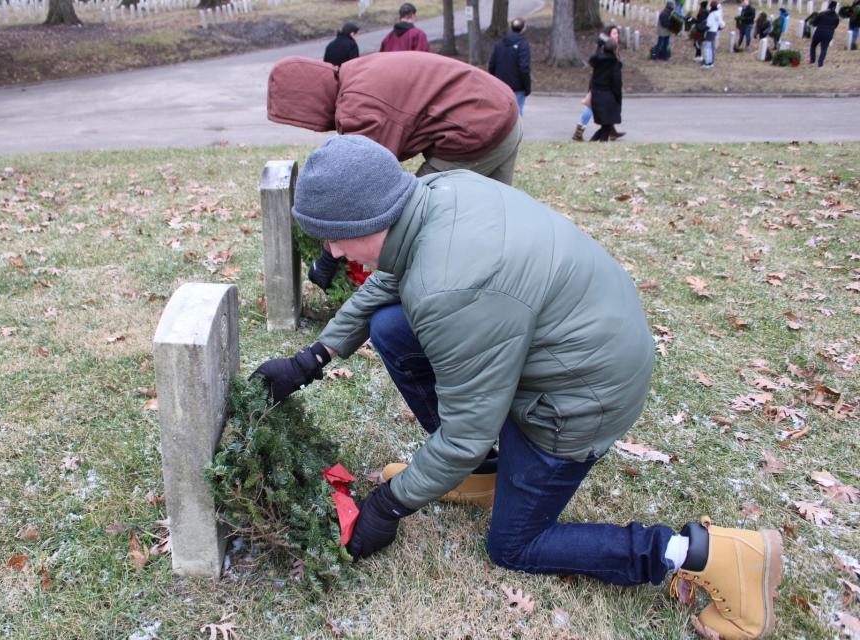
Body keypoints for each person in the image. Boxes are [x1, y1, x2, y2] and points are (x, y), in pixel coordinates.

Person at [252, 134, 785, 640]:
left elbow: (464, 430)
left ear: (370, 217)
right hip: (587, 340)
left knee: (516, 545)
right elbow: (393, 275)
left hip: (581, 398)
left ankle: (700, 553)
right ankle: (485, 475)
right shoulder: (438, 193)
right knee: (393, 327)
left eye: (334, 234)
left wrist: (387, 506)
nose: (332, 250)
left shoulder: (450, 289)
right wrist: (315, 356)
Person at [267, 52, 522, 291]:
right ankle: (504, 289)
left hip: (475, 133)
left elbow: (360, 191)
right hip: (504, 112)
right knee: (496, 219)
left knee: (419, 219)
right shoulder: (354, 72)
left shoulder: (360, 109)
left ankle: (431, 295)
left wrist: (327, 260)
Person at [573, 24, 619, 141]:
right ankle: (579, 130)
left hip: (603, 85)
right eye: (614, 33)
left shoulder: (612, 48)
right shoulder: (604, 50)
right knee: (590, 107)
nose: (617, 35)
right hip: (599, 84)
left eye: (617, 33)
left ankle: (611, 131)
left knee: (605, 109)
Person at [488, 17, 532, 116]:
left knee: (502, 113)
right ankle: (516, 131)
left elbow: (492, 64)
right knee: (517, 113)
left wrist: (495, 81)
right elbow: (524, 67)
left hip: (501, 85)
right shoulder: (523, 44)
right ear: (523, 28)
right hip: (517, 86)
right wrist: (527, 86)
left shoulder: (499, 43)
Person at [588, 38, 624, 142]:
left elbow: (593, 79)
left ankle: (596, 144)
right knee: (607, 126)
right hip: (609, 98)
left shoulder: (598, 62)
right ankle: (594, 143)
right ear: (615, 49)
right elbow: (617, 83)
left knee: (606, 126)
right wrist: (618, 98)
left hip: (597, 95)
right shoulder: (614, 64)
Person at [810, 1, 841, 66]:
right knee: (824, 48)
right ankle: (820, 63)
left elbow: (814, 23)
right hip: (829, 34)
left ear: (828, 6)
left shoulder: (822, 14)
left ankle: (812, 60)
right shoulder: (836, 17)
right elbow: (835, 26)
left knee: (813, 46)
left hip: (819, 32)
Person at [702, 0, 725, 69]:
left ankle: (707, 63)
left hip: (710, 32)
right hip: (714, 31)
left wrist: (703, 27)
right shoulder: (718, 13)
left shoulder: (712, 14)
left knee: (707, 48)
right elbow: (722, 24)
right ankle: (711, 62)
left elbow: (709, 24)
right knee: (711, 48)